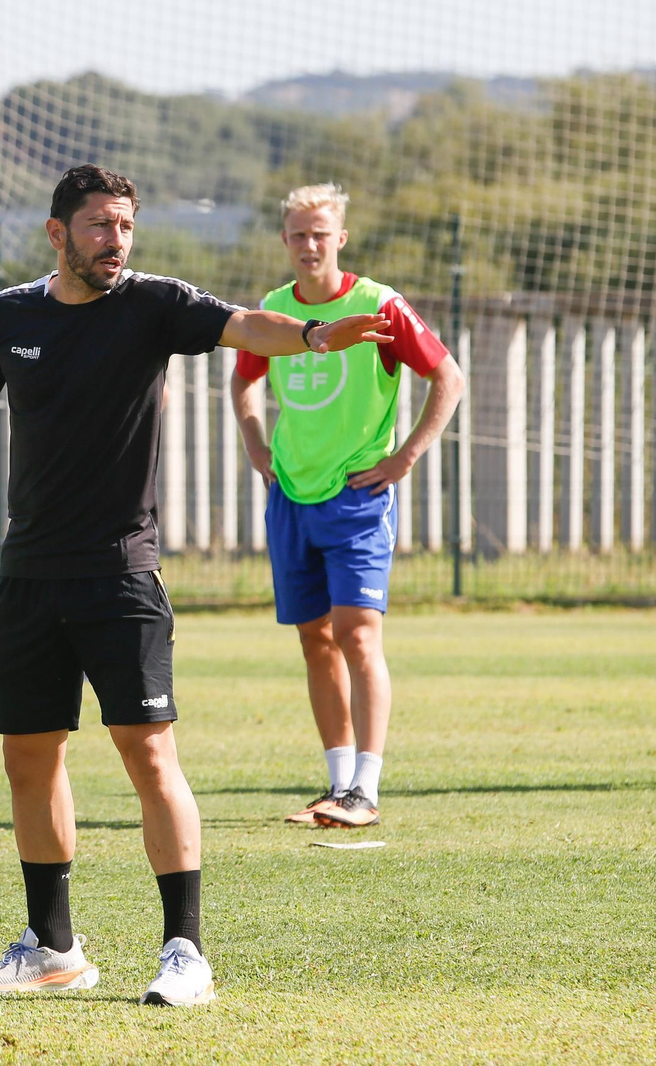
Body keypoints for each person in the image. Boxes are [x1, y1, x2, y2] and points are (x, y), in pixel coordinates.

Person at [0, 164, 392, 1006]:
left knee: (148, 754)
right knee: (30, 759)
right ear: (58, 233)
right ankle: (53, 947)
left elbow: (249, 325)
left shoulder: (153, 304)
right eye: (100, 225)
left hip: (121, 575)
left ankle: (186, 952)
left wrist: (316, 337)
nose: (116, 241)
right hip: (28, 578)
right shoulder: (9, 317)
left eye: (125, 225)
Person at [230, 184, 464, 829]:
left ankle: (366, 788)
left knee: (358, 635)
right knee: (314, 640)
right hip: (291, 498)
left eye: (320, 234)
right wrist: (255, 442)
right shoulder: (274, 311)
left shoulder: (377, 305)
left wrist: (405, 457)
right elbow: (244, 378)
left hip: (358, 498)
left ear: (341, 238)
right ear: (285, 241)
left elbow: (448, 377)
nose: (310, 245)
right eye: (298, 235)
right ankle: (335, 786)